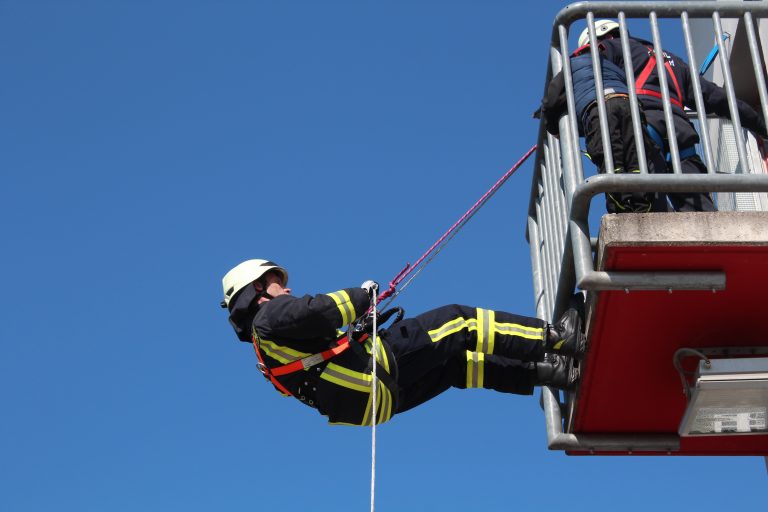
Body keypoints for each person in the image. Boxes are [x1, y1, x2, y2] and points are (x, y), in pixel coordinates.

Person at [220, 259, 586, 426]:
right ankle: (556, 339)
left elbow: (321, 354)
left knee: (456, 366)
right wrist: (362, 296)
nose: (285, 287)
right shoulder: (269, 316)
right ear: (256, 289)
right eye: (275, 281)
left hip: (372, 406)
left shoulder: (266, 353)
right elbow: (319, 311)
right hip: (371, 371)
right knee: (460, 321)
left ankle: (549, 373)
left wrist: (358, 331)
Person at [589, 19, 768, 212]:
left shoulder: (609, 48)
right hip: (681, 138)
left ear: (605, 36)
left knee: (647, 210)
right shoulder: (673, 62)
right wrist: (761, 126)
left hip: (645, 131)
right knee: (703, 217)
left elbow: (584, 73)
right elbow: (721, 99)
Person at [538, 19, 662, 213]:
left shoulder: (572, 64)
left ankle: (619, 210)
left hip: (599, 108)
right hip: (630, 104)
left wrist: (553, 128)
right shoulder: (614, 64)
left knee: (611, 158)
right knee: (636, 157)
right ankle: (641, 207)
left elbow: (552, 99)